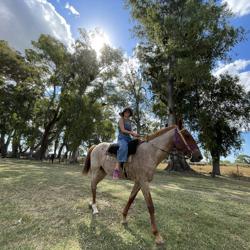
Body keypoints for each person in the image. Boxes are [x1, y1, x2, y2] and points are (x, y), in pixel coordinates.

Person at [113, 107, 139, 179]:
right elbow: (123, 130)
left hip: (128, 138)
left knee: (138, 145)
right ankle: (116, 169)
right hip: (122, 138)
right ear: (124, 113)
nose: (127, 113)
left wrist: (135, 135)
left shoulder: (130, 121)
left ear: (130, 114)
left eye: (128, 112)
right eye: (126, 112)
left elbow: (131, 132)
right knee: (123, 147)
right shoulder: (121, 119)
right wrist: (132, 133)